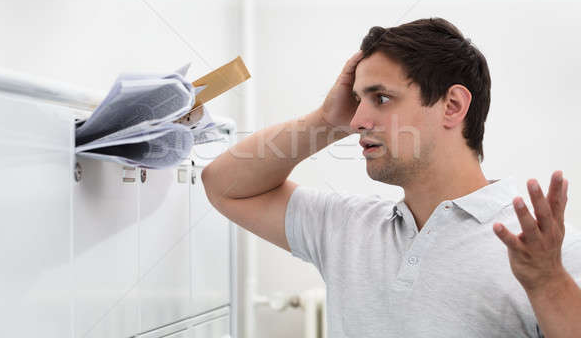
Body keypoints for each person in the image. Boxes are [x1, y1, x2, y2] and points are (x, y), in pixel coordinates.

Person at [201, 18, 581, 337]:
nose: (357, 120)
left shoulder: (551, 256)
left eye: (380, 98)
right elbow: (224, 185)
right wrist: (325, 121)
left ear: (452, 106)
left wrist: (547, 285)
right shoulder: (346, 228)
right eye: (356, 100)